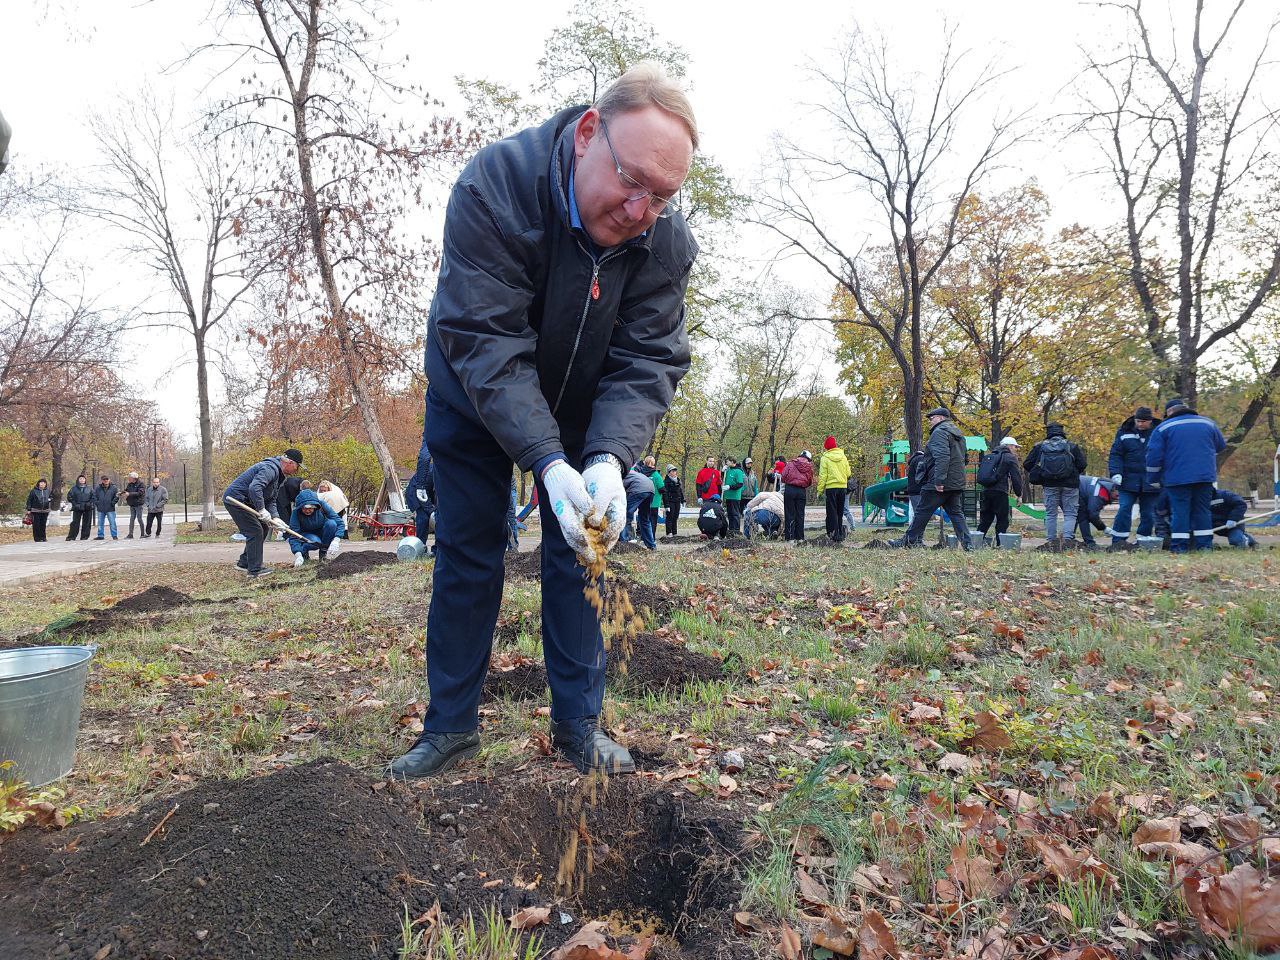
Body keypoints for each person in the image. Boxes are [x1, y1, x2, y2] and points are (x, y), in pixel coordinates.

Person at [389, 65, 698, 779]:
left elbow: (649, 355)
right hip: (474, 388)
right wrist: (542, 457)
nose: (639, 209)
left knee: (584, 549)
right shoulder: (495, 187)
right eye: (631, 180)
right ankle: (451, 728)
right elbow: (486, 338)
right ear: (589, 132)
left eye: (662, 196)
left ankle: (578, 726)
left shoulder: (663, 241)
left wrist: (608, 458)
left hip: (586, 401)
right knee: (469, 548)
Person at [1146, 397, 1226, 553]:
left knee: (1180, 512)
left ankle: (1179, 548)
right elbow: (1221, 446)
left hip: (1177, 478)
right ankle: (1204, 547)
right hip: (1204, 477)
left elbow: (1153, 456)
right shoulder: (1208, 423)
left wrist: (1153, 480)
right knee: (1203, 511)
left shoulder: (1163, 428)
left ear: (1169, 412)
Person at [890, 408, 972, 549]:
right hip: (956, 483)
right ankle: (968, 544)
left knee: (922, 512)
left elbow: (942, 457)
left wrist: (939, 481)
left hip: (938, 482)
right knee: (956, 514)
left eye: (932, 418)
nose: (930, 421)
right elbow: (965, 459)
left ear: (940, 418)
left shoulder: (939, 433)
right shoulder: (959, 435)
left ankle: (908, 541)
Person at [223, 449, 304, 578]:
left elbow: (271, 499)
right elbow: (255, 488)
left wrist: (276, 518)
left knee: (264, 527)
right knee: (255, 531)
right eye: (297, 466)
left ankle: (244, 563)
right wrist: (261, 509)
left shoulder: (279, 476)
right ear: (289, 462)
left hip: (248, 501)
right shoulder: (269, 468)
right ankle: (254, 570)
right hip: (237, 500)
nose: (297, 470)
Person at [1024, 423, 1087, 546]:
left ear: (1048, 433)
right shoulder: (1072, 446)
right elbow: (1082, 464)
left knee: (1051, 513)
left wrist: (1041, 471)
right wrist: (1071, 473)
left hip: (1049, 484)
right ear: (1062, 432)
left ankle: (1051, 541)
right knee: (1070, 512)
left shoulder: (1040, 447)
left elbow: (1027, 464)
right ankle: (1068, 540)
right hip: (1070, 485)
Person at [1107, 405, 1159, 550]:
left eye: (1143, 421)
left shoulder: (1158, 432)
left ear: (1150, 421)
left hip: (1151, 482)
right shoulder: (1124, 432)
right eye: (1138, 421)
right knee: (1124, 508)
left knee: (1148, 513)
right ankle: (1118, 541)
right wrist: (1115, 473)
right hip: (1128, 481)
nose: (1140, 424)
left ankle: (1142, 541)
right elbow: (1115, 454)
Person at [976, 437, 1024, 544]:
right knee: (1002, 519)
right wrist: (1019, 494)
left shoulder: (990, 456)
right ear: (1009, 446)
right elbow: (1016, 477)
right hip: (1000, 492)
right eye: (1015, 446)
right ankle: (1000, 544)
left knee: (986, 519)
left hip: (986, 491)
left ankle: (976, 542)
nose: (1016, 449)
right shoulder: (1010, 458)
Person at [288, 489, 346, 567]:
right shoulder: (296, 513)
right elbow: (294, 535)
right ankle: (303, 553)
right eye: (305, 508)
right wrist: (298, 554)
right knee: (315, 542)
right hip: (307, 534)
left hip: (322, 530)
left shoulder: (322, 506)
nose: (308, 511)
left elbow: (339, 522)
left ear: (315, 506)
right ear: (300, 507)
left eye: (310, 508)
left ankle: (323, 554)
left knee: (332, 524)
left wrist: (336, 539)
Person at [817, 435, 850, 542]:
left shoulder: (825, 458)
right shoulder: (843, 457)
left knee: (832, 512)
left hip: (831, 488)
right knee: (840, 512)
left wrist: (820, 490)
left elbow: (823, 476)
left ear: (827, 447)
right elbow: (848, 473)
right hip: (842, 487)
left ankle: (833, 534)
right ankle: (840, 533)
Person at [621, 462, 657, 550]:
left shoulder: (620, 475)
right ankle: (651, 545)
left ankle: (623, 543)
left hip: (639, 489)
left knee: (624, 515)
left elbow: (619, 492)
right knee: (645, 519)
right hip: (651, 489)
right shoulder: (635, 473)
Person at [780, 450, 814, 542]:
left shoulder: (791, 463)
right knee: (800, 514)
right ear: (808, 458)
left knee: (789, 513)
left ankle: (790, 538)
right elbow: (810, 480)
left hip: (790, 490)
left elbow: (783, 476)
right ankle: (800, 538)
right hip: (801, 491)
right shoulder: (809, 466)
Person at [1075, 475, 1116, 549]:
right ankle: (1090, 543)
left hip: (1073, 486)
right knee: (1083, 516)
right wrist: (1104, 528)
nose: (1118, 496)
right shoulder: (1100, 493)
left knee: (1076, 515)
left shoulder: (1105, 486)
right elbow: (1093, 515)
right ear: (1113, 489)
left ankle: (1069, 539)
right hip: (1072, 489)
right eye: (1117, 494)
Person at [722, 456, 746, 534]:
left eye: (728, 461)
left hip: (735, 496)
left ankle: (736, 530)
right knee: (730, 514)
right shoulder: (728, 470)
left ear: (732, 462)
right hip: (728, 496)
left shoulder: (738, 471)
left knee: (735, 514)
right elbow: (724, 479)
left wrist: (730, 487)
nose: (726, 463)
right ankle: (731, 530)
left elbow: (740, 484)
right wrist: (722, 472)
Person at [92, 474, 120, 541]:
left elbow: (116, 496)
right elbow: (94, 496)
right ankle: (100, 535)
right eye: (104, 480)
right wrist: (97, 503)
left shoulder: (114, 488)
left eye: (107, 479)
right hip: (100, 508)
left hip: (110, 508)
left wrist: (112, 503)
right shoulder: (97, 488)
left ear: (109, 480)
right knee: (100, 523)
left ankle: (114, 535)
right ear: (102, 480)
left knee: (112, 523)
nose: (106, 481)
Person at [66, 474, 93, 541]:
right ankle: (71, 537)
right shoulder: (74, 488)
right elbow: (70, 497)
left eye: (83, 479)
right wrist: (75, 504)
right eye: (80, 479)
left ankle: (84, 537)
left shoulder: (89, 488)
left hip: (87, 507)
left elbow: (94, 497)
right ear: (78, 480)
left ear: (85, 480)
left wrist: (89, 503)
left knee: (87, 523)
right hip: (77, 507)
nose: (82, 480)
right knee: (75, 522)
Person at [645, 456, 664, 543]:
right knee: (653, 521)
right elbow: (661, 489)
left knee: (644, 520)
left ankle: (644, 537)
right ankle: (651, 538)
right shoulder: (656, 475)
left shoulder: (641, 473)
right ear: (653, 464)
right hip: (654, 502)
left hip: (644, 502)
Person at [661, 465, 684, 537]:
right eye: (673, 471)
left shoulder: (678, 480)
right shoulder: (666, 481)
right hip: (670, 501)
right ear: (669, 472)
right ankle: (669, 532)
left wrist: (683, 499)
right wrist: (666, 505)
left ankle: (675, 532)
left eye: (675, 470)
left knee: (675, 517)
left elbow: (680, 491)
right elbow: (665, 494)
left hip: (677, 500)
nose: (674, 472)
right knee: (670, 517)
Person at [123, 471, 146, 539]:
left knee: (139, 518)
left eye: (130, 478)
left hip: (138, 504)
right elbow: (126, 491)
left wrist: (129, 494)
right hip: (132, 504)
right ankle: (130, 534)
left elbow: (140, 493)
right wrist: (121, 493)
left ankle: (142, 534)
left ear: (134, 478)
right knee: (132, 519)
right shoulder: (129, 484)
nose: (129, 479)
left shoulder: (141, 484)